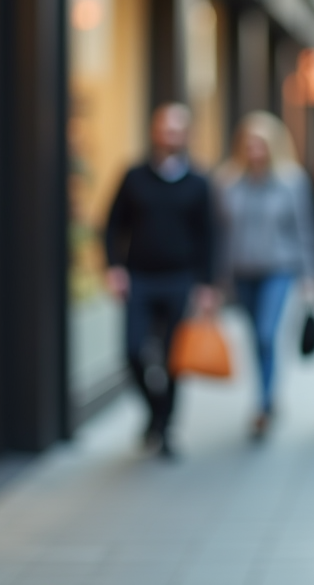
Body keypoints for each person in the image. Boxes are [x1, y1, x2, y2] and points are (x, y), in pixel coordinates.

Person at [105, 103, 216, 459]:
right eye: (164, 129)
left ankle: (165, 429)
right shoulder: (134, 176)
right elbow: (110, 225)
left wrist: (207, 285)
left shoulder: (199, 182)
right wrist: (114, 267)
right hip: (139, 278)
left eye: (177, 129)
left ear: (186, 135)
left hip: (180, 279)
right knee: (133, 351)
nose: (170, 136)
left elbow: (209, 236)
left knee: (173, 360)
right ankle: (155, 411)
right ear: (154, 132)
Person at [218, 111, 314, 439]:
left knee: (266, 333)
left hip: (279, 269)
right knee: (254, 337)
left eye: (260, 145)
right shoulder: (228, 180)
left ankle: (263, 403)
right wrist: (217, 278)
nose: (254, 152)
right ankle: (266, 396)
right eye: (248, 145)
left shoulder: (292, 181)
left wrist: (311, 274)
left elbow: (305, 229)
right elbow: (220, 233)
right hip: (241, 272)